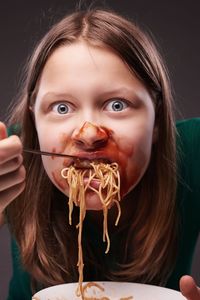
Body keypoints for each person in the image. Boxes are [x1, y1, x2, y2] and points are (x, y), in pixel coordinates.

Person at [0, 8, 199, 300]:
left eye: (116, 105)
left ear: (157, 118)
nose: (90, 134)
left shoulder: (192, 151)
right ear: (34, 119)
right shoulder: (10, 159)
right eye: (62, 108)